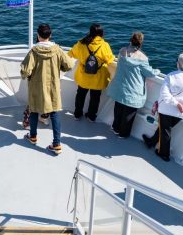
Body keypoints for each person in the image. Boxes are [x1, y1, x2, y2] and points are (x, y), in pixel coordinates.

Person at [20, 23, 74, 155]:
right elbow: (69, 65)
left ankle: (33, 137)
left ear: (38, 36)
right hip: (53, 87)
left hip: (36, 87)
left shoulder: (33, 51)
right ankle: (57, 144)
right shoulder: (57, 50)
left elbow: (25, 72)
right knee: (55, 113)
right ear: (50, 35)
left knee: (34, 111)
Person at [142, 52, 183, 161]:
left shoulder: (170, 76)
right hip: (182, 113)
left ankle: (164, 154)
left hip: (167, 110)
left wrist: (177, 104)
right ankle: (151, 142)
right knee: (164, 129)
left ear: (178, 64)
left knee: (166, 131)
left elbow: (165, 95)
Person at [107, 32, 157, 138]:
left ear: (131, 40)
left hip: (120, 87)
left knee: (118, 108)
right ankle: (123, 134)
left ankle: (115, 128)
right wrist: (157, 71)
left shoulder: (122, 51)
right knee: (129, 114)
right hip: (134, 90)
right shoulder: (143, 58)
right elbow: (150, 73)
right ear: (141, 43)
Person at [67, 24, 114, 122]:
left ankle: (77, 114)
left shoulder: (82, 43)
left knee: (80, 95)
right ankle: (91, 116)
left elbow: (71, 53)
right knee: (95, 98)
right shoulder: (104, 45)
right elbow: (110, 60)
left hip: (84, 76)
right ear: (101, 33)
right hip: (98, 78)